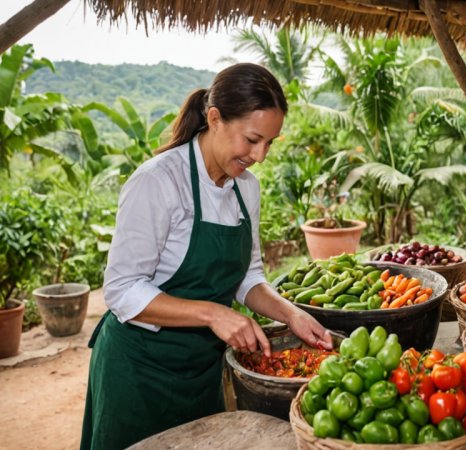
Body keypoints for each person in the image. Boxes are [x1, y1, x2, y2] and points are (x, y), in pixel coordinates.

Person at [80, 63, 333, 450]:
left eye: (270, 143)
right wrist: (213, 313)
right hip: (138, 372)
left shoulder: (246, 188)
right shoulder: (159, 181)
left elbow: (248, 277)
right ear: (214, 118)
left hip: (201, 372)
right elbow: (121, 291)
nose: (260, 156)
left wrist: (290, 313)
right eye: (252, 139)